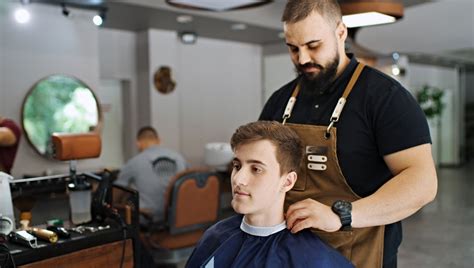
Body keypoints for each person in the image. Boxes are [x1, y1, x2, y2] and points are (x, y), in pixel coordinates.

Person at [258, 1, 438, 267]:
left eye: (313, 45)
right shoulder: (281, 100)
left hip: (360, 254)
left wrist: (342, 215)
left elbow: (422, 183)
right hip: (290, 254)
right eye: (293, 48)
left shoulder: (384, 97)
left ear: (341, 32)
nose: (303, 58)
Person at [186, 121, 354, 267]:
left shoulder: (312, 258)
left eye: (256, 169)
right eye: (237, 166)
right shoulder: (214, 237)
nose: (238, 179)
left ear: (288, 181)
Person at [114, 126, 187, 223]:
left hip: (148, 217)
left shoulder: (134, 162)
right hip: (176, 218)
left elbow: (116, 192)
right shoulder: (179, 158)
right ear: (159, 140)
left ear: (138, 143)